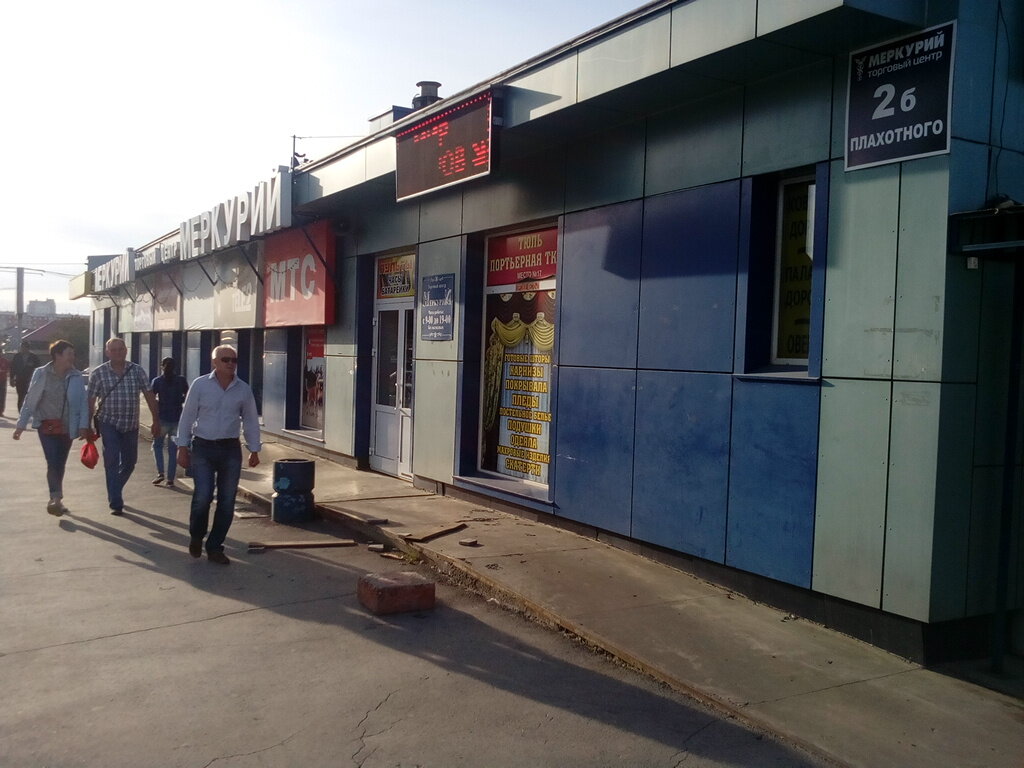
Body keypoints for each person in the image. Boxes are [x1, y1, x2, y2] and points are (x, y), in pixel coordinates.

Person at [176, 345, 261, 565]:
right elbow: (187, 417)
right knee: (203, 496)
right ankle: (197, 536)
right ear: (214, 362)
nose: (231, 364)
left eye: (234, 360)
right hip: (203, 447)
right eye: (225, 360)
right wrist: (182, 447)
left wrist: (254, 449)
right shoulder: (200, 385)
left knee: (227, 501)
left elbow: (250, 419)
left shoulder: (243, 389)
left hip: (230, 449)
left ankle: (215, 546)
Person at [12, 340, 91, 516]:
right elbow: (30, 400)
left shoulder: (76, 376)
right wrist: (21, 425)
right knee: (52, 460)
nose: (72, 357)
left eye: (73, 354)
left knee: (60, 462)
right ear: (57, 355)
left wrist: (83, 426)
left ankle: (57, 499)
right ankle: (55, 498)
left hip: (67, 427)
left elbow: (83, 403)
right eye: (69, 353)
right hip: (46, 426)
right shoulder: (41, 373)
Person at [87, 337, 160, 516]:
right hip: (108, 422)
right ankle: (116, 502)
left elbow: (149, 395)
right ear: (107, 352)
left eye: (120, 349)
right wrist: (87, 425)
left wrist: (156, 420)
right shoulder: (98, 373)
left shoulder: (137, 370)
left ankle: (114, 489)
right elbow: (90, 401)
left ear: (126, 351)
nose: (118, 353)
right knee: (111, 460)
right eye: (114, 350)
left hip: (131, 424)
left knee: (129, 462)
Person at [151, 357, 188, 487]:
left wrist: (155, 415)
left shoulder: (157, 381)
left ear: (162, 366)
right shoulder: (181, 380)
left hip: (162, 418)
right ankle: (170, 479)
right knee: (173, 450)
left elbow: (151, 399)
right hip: (177, 418)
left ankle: (160, 472)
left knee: (157, 445)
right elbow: (188, 396)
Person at [11, 341, 40, 411]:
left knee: (29, 397)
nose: (22, 349)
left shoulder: (34, 357)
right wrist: (11, 378)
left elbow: (38, 369)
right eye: (21, 347)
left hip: (30, 381)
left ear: (28, 348)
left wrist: (38, 380)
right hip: (19, 380)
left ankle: (28, 412)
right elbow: (13, 368)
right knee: (20, 397)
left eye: (24, 347)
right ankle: (20, 411)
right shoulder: (17, 357)